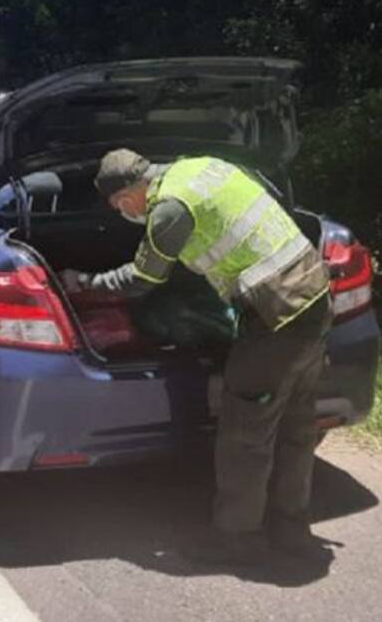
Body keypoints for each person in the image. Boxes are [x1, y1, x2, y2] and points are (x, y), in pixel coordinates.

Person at [61, 149, 333, 566]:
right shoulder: (203, 167)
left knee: (246, 435)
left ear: (130, 192)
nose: (123, 214)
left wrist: (85, 282)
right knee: (296, 428)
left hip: (276, 316)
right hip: (313, 297)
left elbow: (143, 278)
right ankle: (291, 531)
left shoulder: (169, 208)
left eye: (119, 205)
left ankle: (238, 540)